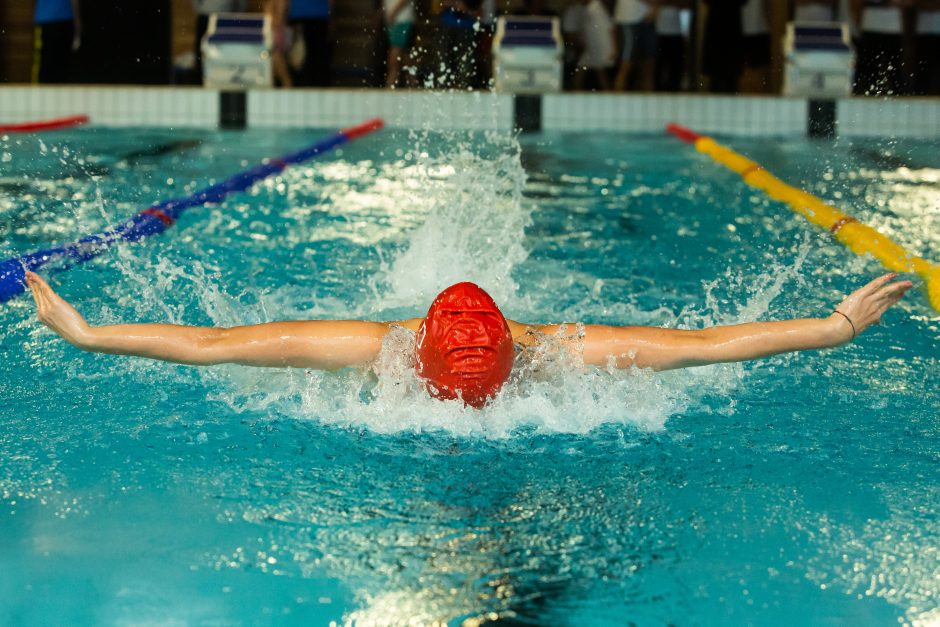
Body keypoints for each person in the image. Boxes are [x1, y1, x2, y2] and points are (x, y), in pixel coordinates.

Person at [24, 272, 912, 409]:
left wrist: (832, 330)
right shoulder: (376, 346)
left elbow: (703, 342)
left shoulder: (554, 350)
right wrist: (91, 332)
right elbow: (219, 343)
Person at [563, 0, 617, 91]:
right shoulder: (586, 9)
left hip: (600, 47)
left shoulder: (598, 8)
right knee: (584, 72)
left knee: (600, 73)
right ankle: (576, 94)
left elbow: (611, 28)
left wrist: (615, 47)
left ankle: (608, 94)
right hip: (591, 48)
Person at [33, 0, 81, 84]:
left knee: (46, 66)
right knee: (61, 67)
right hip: (60, 18)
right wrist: (78, 22)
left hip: (50, 18)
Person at [383, 0, 415, 88]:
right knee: (404, 54)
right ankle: (412, 82)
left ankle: (391, 82)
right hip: (395, 20)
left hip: (401, 19)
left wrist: (393, 12)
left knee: (396, 52)